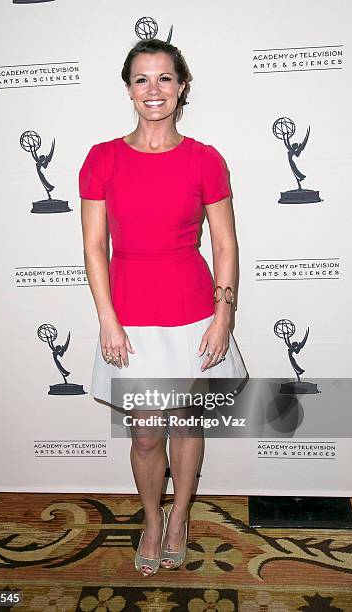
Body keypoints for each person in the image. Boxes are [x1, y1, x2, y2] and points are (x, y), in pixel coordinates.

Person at [79, 38, 247, 577]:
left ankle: (179, 518)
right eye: (142, 79)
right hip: (129, 317)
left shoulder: (205, 159)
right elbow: (93, 248)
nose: (155, 90)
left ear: (182, 86)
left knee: (186, 425)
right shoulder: (101, 159)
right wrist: (108, 319)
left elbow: (224, 244)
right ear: (128, 89)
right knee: (147, 433)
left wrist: (223, 316)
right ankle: (152, 519)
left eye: (165, 78)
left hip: (195, 314)